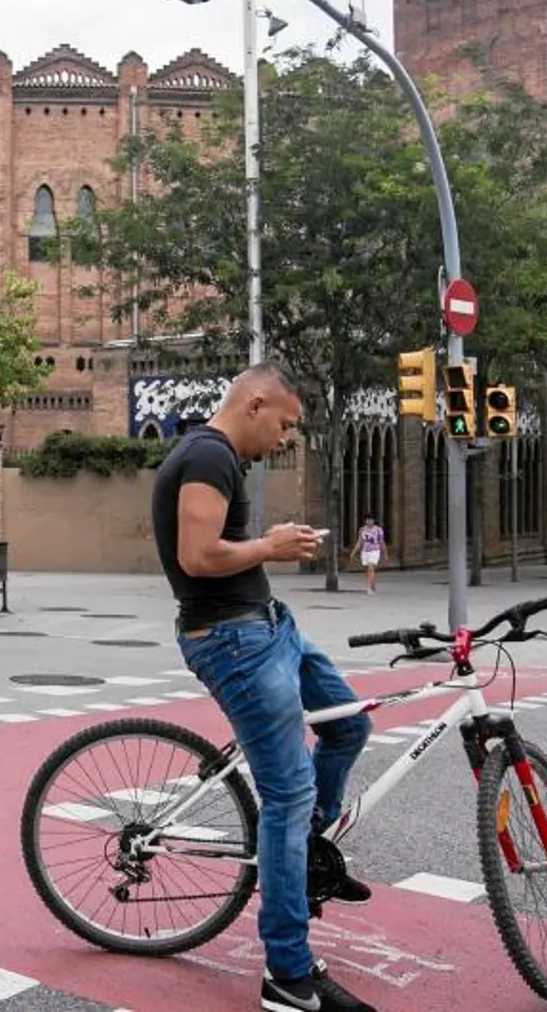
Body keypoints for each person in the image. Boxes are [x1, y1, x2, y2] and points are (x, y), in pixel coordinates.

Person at [149, 363, 377, 1012]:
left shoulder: (220, 456)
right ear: (254, 403)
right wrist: (270, 546)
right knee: (286, 793)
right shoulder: (207, 454)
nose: (284, 439)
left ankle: (303, 854)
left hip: (270, 627)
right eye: (284, 424)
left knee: (347, 722)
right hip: (232, 641)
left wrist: (270, 549)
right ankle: (288, 974)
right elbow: (197, 555)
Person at [348, 516, 388, 595]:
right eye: (367, 520)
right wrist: (354, 552)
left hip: (374, 551)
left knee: (371, 568)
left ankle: (369, 588)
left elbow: (381, 542)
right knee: (367, 570)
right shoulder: (362, 530)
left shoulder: (378, 530)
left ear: (373, 521)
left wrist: (385, 553)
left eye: (371, 520)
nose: (369, 521)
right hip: (365, 551)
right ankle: (372, 585)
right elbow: (360, 542)